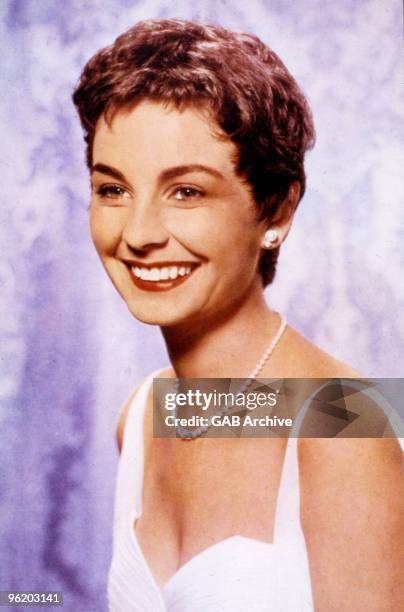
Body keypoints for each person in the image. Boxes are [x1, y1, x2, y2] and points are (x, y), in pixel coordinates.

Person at [72, 18, 403, 611]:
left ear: (276, 209)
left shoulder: (345, 426)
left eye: (187, 191)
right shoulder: (144, 414)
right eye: (113, 189)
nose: (139, 234)